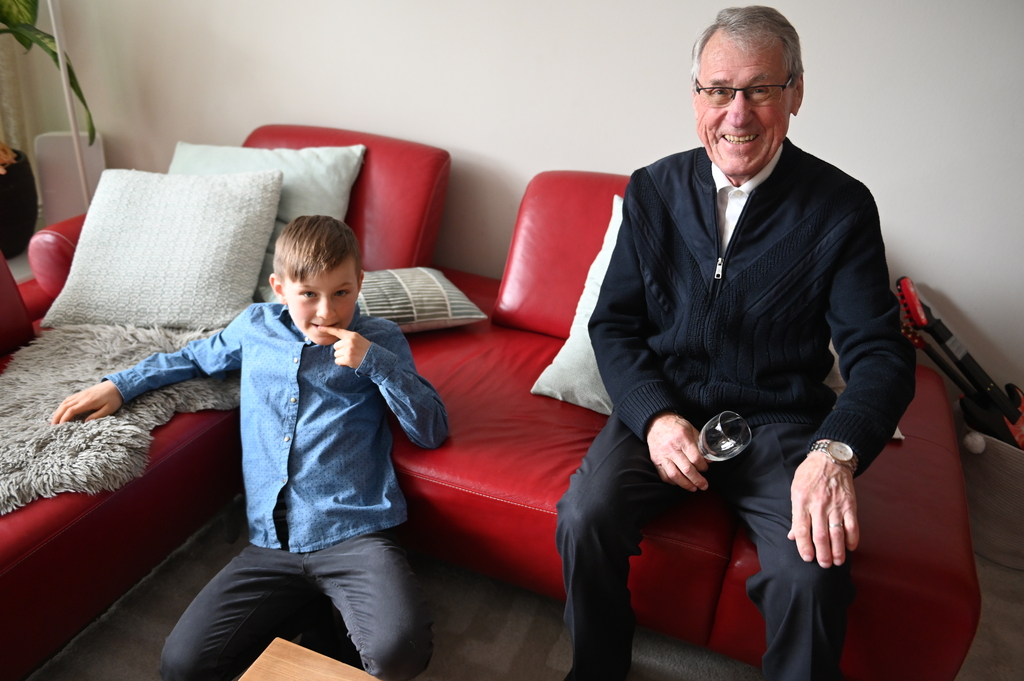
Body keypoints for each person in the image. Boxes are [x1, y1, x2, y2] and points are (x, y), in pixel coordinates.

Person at [555, 6, 915, 681]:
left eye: (761, 89)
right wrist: (655, 418)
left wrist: (835, 453)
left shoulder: (842, 207)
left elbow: (881, 355)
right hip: (667, 408)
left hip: (779, 422)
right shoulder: (653, 189)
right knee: (583, 514)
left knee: (813, 576)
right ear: (697, 97)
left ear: (796, 93)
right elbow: (614, 324)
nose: (737, 114)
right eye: (719, 90)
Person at [51, 215, 448, 681]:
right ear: (280, 289)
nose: (327, 312)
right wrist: (121, 385)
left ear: (359, 282)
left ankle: (320, 616)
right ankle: (311, 613)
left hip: (354, 532)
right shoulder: (255, 327)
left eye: (341, 292)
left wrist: (375, 364)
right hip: (271, 544)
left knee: (399, 651)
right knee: (182, 666)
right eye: (309, 294)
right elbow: (193, 357)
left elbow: (432, 429)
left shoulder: (380, 339)